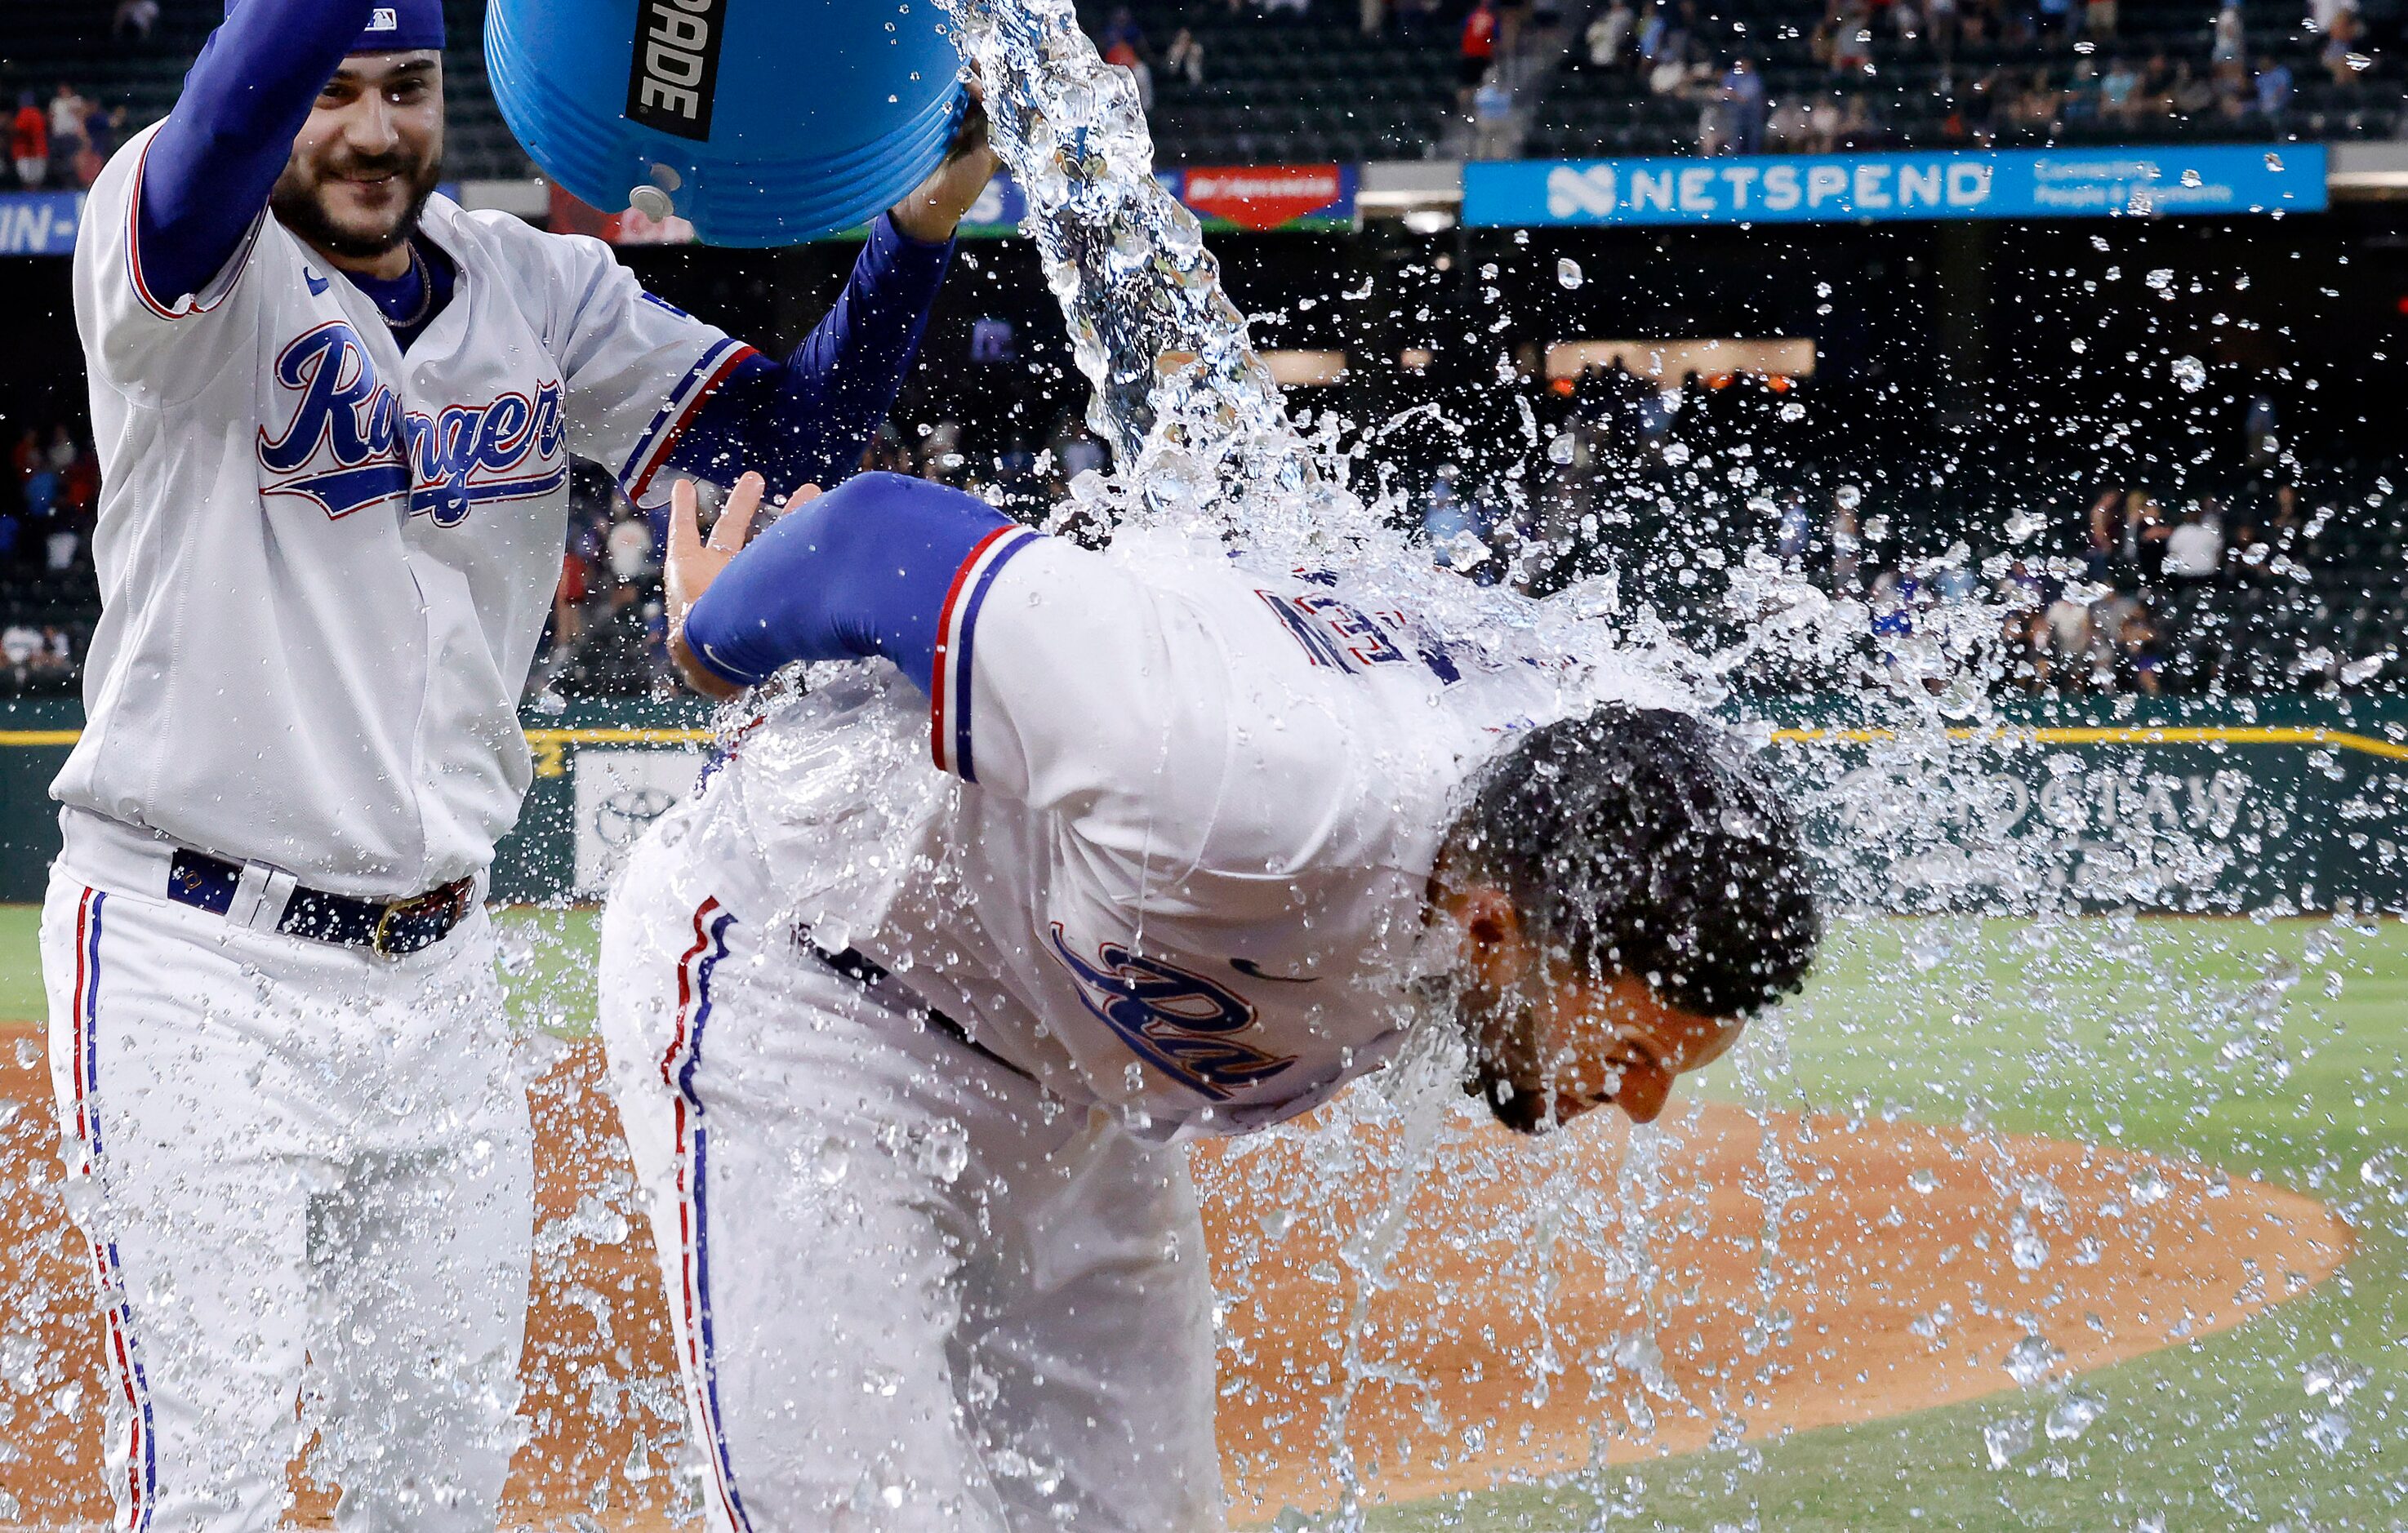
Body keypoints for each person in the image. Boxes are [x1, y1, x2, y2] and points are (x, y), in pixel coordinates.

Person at [38, 0, 998, 1527]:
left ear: (450, 97)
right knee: (204, 1485)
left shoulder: (534, 288)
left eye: (404, 86)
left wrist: (917, 222)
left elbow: (798, 431)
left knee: (434, 1491)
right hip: (190, 959)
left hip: (437, 977)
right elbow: (229, 113)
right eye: (329, 89)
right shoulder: (175, 255)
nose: (367, 128)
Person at [594, 470, 1822, 1527]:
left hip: (1071, 1101)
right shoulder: (1236, 773)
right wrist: (708, 642)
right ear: (1493, 928)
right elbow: (874, 535)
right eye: (1631, 1051)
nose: (1645, 1102)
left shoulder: (1563, 796)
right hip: (818, 997)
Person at [10, 93, 46, 189]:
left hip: (30, 151)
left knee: (30, 181)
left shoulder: (31, 114)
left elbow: (17, 131)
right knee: (33, 181)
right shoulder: (32, 113)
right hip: (30, 151)